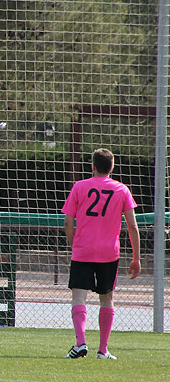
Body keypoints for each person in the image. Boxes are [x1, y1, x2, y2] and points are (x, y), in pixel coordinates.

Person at [61, 148, 140, 360]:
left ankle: (80, 343)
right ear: (112, 167)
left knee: (79, 296)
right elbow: (132, 226)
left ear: (93, 167)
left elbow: (68, 222)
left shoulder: (79, 186)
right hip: (109, 253)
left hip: (83, 250)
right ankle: (103, 350)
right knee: (107, 298)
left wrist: (74, 244)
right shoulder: (122, 190)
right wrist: (136, 257)